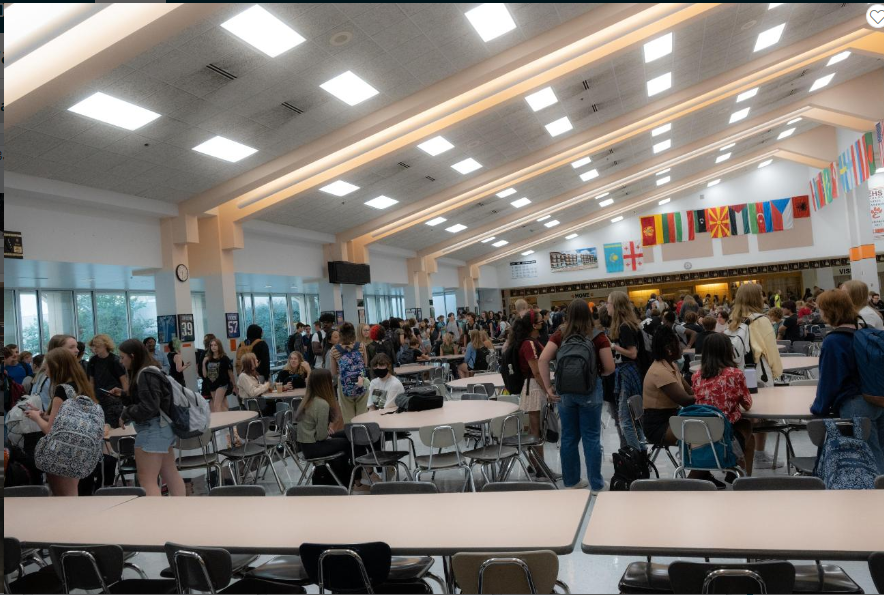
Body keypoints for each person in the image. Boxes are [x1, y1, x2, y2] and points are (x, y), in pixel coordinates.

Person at [538, 299, 615, 492]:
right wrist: (596, 375)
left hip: (565, 393)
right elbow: (610, 367)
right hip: (590, 392)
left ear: (567, 315)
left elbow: (543, 359)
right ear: (589, 314)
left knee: (569, 438)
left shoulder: (559, 335)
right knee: (591, 437)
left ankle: (571, 482)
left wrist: (548, 387)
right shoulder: (598, 336)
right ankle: (596, 483)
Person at [811, 290, 884, 473]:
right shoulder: (866, 332)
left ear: (829, 311)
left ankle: (873, 498)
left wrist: (819, 408)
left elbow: (830, 381)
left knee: (867, 460)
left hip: (854, 404)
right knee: (879, 453)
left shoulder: (834, 341)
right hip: (877, 398)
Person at [23, 347, 104, 496]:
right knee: (72, 493)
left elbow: (50, 430)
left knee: (64, 497)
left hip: (61, 453)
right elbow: (70, 420)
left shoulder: (61, 390)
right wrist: (43, 414)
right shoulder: (81, 387)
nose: (46, 373)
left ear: (56, 368)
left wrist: (36, 417)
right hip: (80, 452)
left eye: (47, 369)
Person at [114, 339, 186, 497]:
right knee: (170, 474)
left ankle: (155, 519)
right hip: (164, 427)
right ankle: (181, 513)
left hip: (151, 429)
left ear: (132, 356)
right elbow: (152, 401)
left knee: (147, 480)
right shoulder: (153, 370)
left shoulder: (145, 374)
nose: (121, 361)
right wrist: (124, 394)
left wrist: (127, 413)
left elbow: (149, 408)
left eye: (122, 357)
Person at [728, 282, 782, 469]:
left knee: (744, 415)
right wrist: (776, 372)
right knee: (762, 413)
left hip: (737, 372)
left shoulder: (732, 319)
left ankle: (742, 453)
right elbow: (771, 350)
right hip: (758, 372)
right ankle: (759, 453)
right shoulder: (762, 320)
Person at [691, 333, 754, 479]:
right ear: (728, 351)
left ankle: (732, 467)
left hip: (701, 433)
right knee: (746, 425)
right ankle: (740, 472)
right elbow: (748, 404)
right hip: (724, 433)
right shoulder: (735, 374)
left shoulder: (696, 376)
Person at [295, 368, 352, 486]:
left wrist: (326, 432)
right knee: (348, 442)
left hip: (306, 445)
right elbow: (321, 436)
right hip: (313, 446)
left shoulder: (308, 400)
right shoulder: (322, 404)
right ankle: (349, 480)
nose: (332, 383)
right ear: (324, 384)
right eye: (330, 380)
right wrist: (327, 435)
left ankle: (339, 476)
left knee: (346, 433)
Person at [642, 326, 695, 450]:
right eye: (678, 344)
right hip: (658, 426)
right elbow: (685, 400)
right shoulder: (659, 371)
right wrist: (708, 395)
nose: (682, 347)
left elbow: (690, 391)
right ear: (669, 350)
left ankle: (700, 468)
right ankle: (697, 469)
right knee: (702, 434)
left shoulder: (672, 366)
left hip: (672, 417)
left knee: (703, 428)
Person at [607, 292, 647, 450]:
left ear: (616, 306)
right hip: (630, 371)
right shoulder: (628, 324)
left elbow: (632, 353)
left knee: (625, 419)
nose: (606, 306)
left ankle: (636, 457)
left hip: (628, 372)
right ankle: (641, 454)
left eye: (609, 303)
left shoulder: (624, 327)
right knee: (633, 417)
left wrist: (613, 346)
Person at [513, 310, 548, 462]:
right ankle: (540, 468)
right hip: (533, 387)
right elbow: (536, 372)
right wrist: (548, 390)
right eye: (541, 321)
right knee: (535, 431)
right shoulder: (529, 344)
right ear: (534, 325)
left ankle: (535, 465)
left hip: (531, 386)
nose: (543, 323)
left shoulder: (529, 341)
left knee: (535, 430)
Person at [329, 322, 369, 424]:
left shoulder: (334, 350)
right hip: (361, 381)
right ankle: (363, 436)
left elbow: (333, 372)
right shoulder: (361, 346)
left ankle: (352, 437)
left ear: (340, 334)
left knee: (348, 417)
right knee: (363, 414)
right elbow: (365, 364)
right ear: (354, 333)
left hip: (344, 384)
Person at [202, 337, 236, 413]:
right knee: (222, 405)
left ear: (219, 346)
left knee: (216, 405)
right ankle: (229, 420)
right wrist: (203, 363)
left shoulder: (224, 358)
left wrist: (234, 385)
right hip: (212, 383)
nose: (213, 347)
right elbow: (204, 375)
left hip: (222, 384)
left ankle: (220, 423)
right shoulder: (208, 359)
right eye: (211, 345)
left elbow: (230, 373)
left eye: (215, 345)